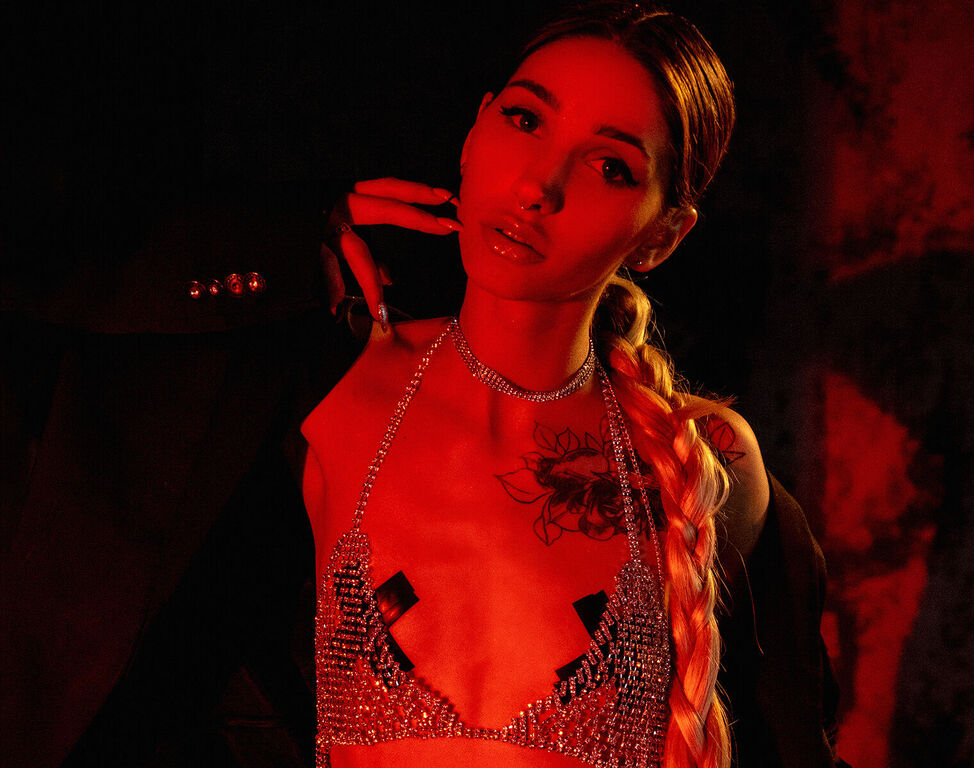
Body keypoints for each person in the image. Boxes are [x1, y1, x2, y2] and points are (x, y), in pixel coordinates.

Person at [302, 3, 841, 767]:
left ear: (662, 235)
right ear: (474, 131)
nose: (538, 186)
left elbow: (792, 739)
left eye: (609, 166)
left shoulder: (699, 458)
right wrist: (288, 241)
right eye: (525, 121)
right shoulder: (336, 393)